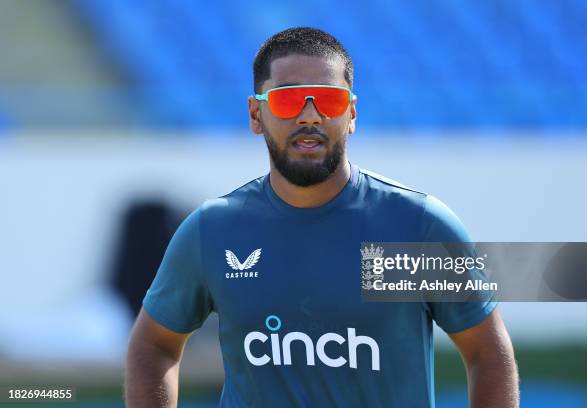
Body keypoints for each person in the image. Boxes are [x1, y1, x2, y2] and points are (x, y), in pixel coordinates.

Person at [125, 27, 519, 407]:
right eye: (288, 99)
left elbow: (487, 352)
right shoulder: (214, 230)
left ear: (351, 114)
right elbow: (153, 346)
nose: (309, 116)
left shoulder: (412, 227)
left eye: (329, 100)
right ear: (255, 114)